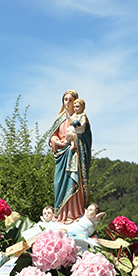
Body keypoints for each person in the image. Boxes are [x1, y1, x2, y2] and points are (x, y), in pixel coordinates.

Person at [48, 91, 92, 224]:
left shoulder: (80, 118)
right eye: (65, 99)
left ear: (76, 102)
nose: (67, 102)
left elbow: (86, 137)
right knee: (59, 183)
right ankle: (60, 213)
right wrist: (56, 142)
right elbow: (53, 135)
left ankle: (74, 214)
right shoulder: (60, 118)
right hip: (62, 155)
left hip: (74, 155)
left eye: (71, 100)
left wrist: (75, 139)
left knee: (73, 182)